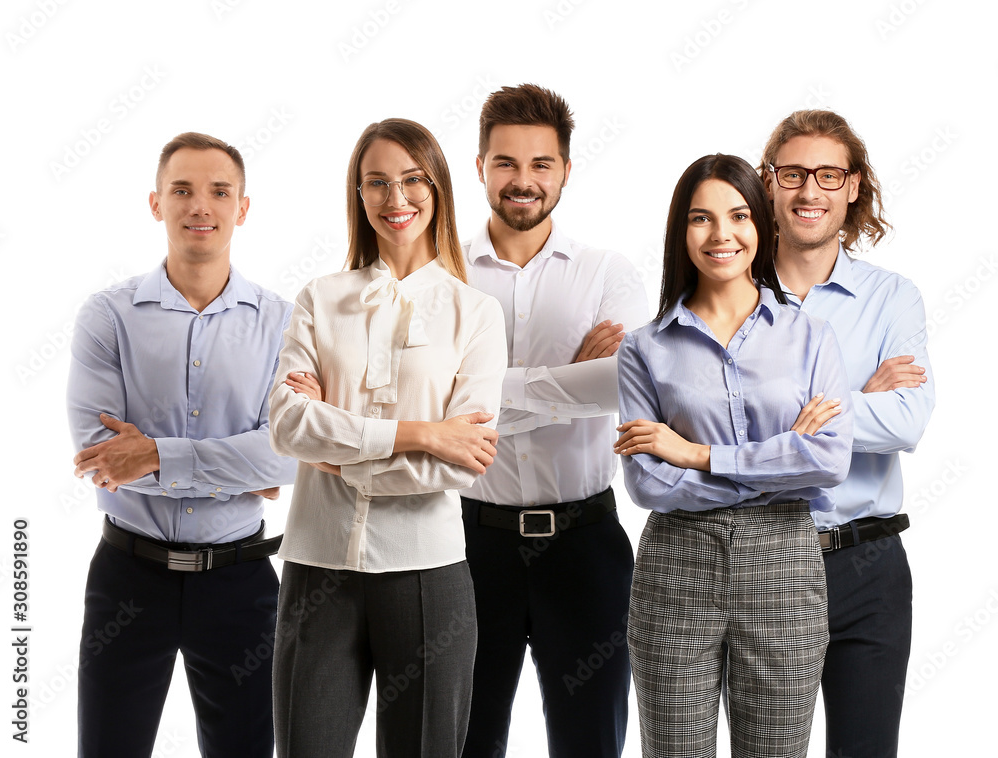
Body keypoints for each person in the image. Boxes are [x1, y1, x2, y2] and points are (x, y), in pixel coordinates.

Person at [267, 118, 507, 758]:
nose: (395, 199)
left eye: (411, 181)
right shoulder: (320, 298)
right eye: (376, 183)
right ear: (358, 194)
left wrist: (340, 455)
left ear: (439, 190)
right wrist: (422, 433)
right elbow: (288, 424)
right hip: (317, 567)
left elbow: (463, 463)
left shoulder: (476, 313)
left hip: (427, 572)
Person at [615, 153, 854, 758]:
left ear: (762, 227)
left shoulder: (810, 336)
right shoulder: (644, 348)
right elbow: (648, 484)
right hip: (677, 566)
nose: (721, 235)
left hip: (786, 565)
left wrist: (695, 453)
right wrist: (781, 461)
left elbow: (828, 462)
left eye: (739, 216)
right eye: (701, 218)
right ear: (680, 231)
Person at [67, 132, 298, 757]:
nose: (202, 205)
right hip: (127, 577)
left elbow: (291, 454)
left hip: (240, 581)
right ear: (155, 203)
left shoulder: (283, 322)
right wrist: (238, 465)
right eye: (183, 190)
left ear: (242, 207)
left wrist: (157, 456)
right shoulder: (109, 316)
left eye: (220, 191)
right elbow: (98, 453)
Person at [459, 83, 648, 758]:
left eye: (541, 164)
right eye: (506, 162)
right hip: (470, 548)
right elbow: (429, 406)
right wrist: (568, 378)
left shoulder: (608, 273)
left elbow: (620, 385)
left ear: (566, 170)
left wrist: (478, 398)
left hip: (586, 546)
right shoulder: (440, 276)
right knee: (463, 741)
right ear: (480, 167)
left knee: (593, 743)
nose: (523, 180)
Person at [760, 110, 934, 758]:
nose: (811, 192)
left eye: (828, 175)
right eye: (795, 174)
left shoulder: (893, 298)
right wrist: (861, 400)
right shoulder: (730, 293)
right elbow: (721, 426)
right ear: (769, 182)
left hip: (872, 564)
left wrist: (789, 416)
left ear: (854, 186)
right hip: (765, 558)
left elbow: (909, 422)